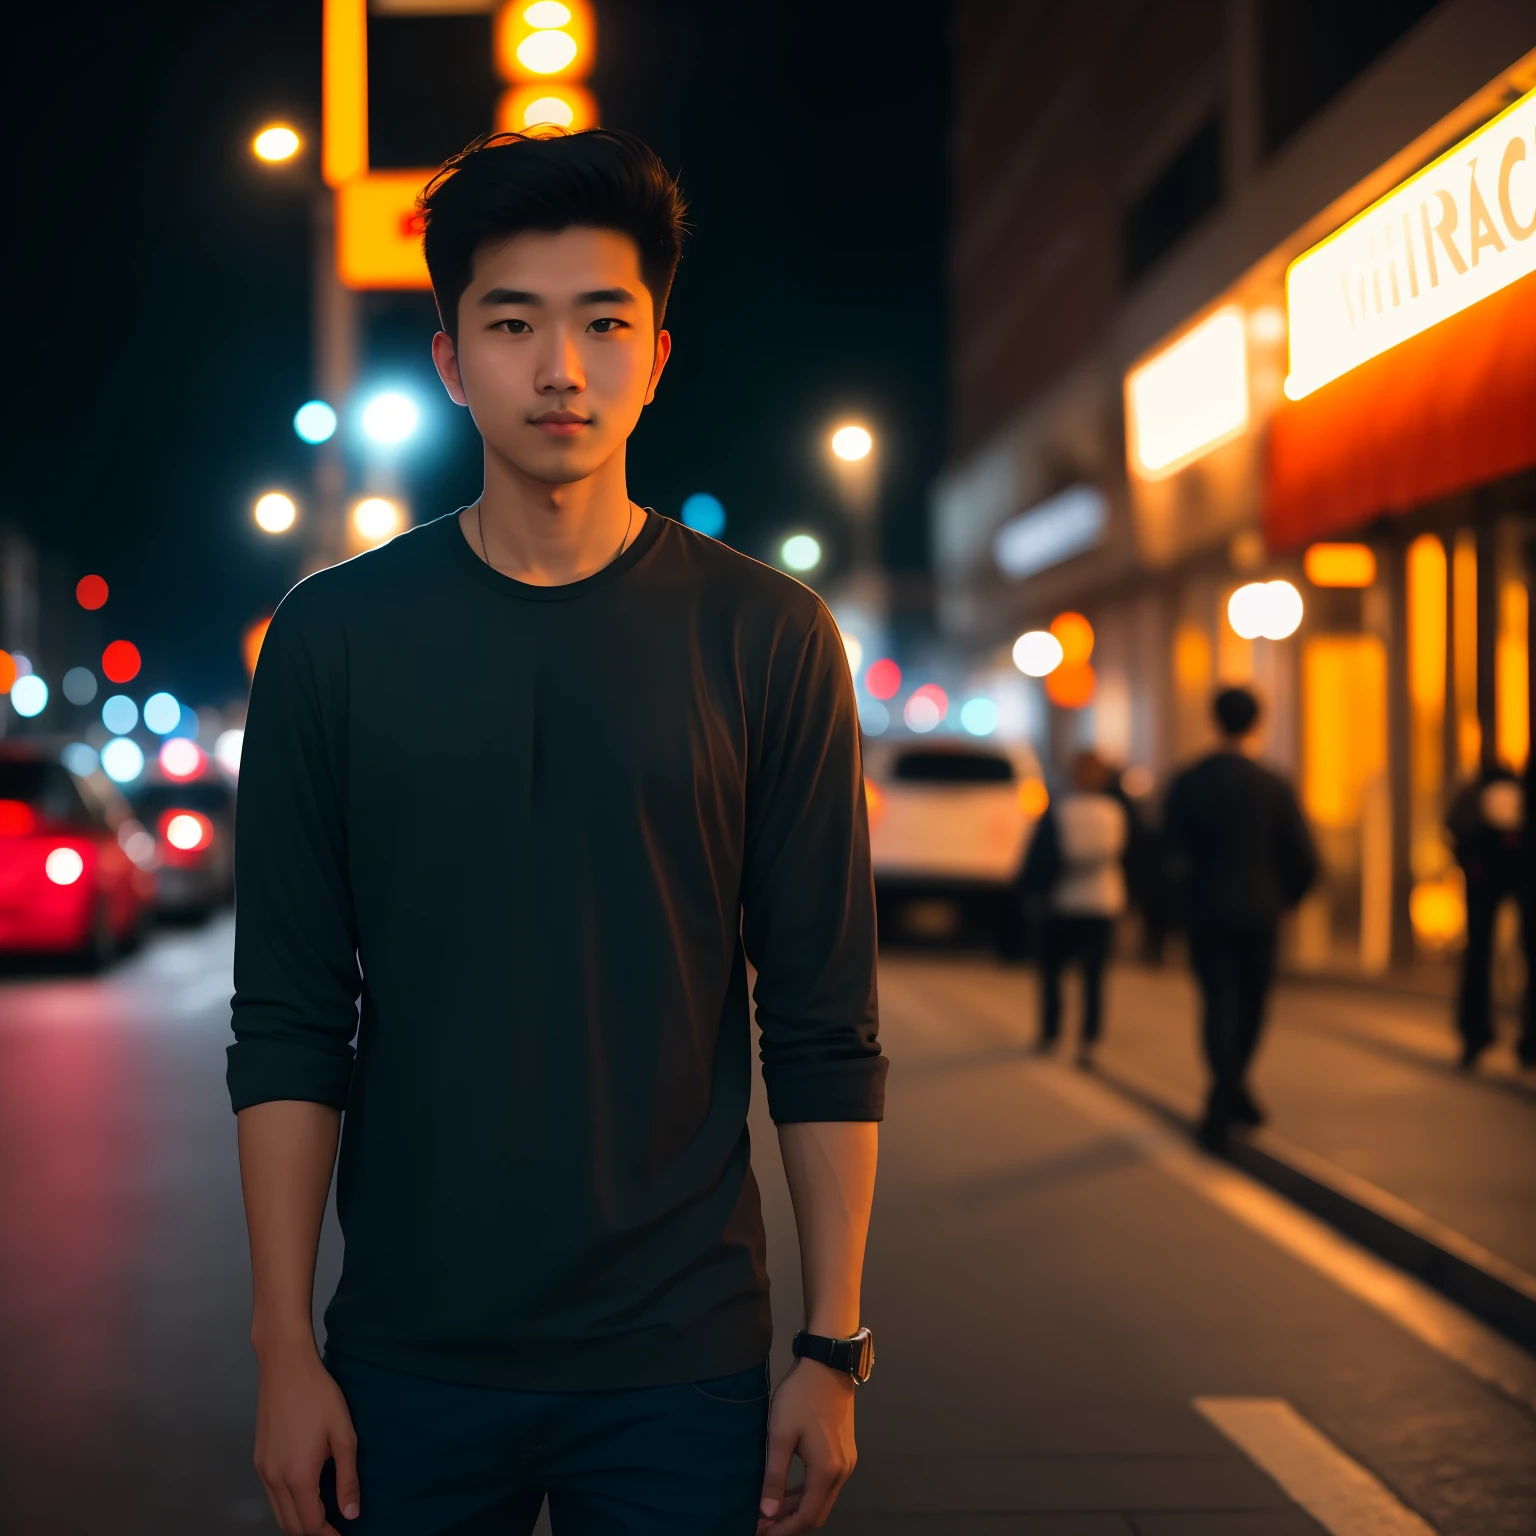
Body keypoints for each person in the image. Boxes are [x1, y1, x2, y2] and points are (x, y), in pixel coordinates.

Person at [227, 129, 885, 1536]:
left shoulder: (769, 637)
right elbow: (288, 1019)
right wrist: (286, 1350)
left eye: (603, 323)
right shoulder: (332, 640)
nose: (562, 368)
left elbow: (823, 1020)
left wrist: (830, 1349)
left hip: (682, 1363)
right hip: (406, 1356)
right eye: (513, 324)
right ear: (453, 360)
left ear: (657, 351)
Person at [1163, 687, 1317, 1149]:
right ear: (1256, 723)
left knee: (1216, 1003)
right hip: (1260, 911)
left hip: (1207, 909)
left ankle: (1225, 1094)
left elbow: (1169, 854)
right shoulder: (1272, 783)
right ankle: (1232, 1092)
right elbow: (1305, 856)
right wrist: (1288, 899)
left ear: (1214, 721)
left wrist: (1176, 909)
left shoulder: (1189, 781)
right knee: (1252, 1004)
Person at [1020, 750, 1129, 1067]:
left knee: (1053, 973)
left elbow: (1042, 859)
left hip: (1064, 901)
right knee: (1095, 977)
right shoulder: (1115, 812)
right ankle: (1090, 1040)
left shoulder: (1061, 811)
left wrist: (1033, 893)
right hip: (1104, 902)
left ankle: (1051, 1032)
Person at [1446, 762, 1529, 1069]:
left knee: (1478, 955)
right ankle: (1527, 1040)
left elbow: (1453, 826)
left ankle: (1476, 1033)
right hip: (1509, 873)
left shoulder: (1473, 794)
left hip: (1482, 878)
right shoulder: (1518, 791)